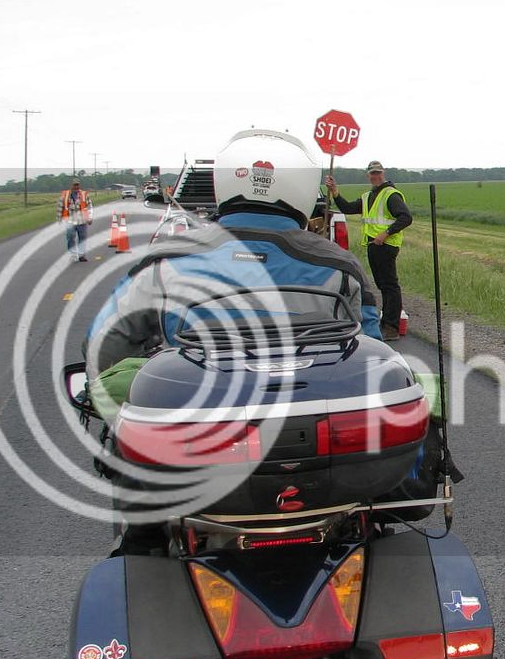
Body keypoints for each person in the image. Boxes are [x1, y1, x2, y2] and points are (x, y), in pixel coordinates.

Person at [84, 127, 382, 553]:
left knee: (134, 452)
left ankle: (142, 542)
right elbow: (369, 352)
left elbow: (104, 348)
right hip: (318, 450)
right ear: (303, 190)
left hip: (199, 447)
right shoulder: (340, 266)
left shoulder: (168, 259)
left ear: (225, 184)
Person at [328, 159, 412, 341]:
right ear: (368, 175)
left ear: (383, 173)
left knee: (390, 285)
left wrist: (386, 234)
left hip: (386, 245)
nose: (375, 176)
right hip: (374, 246)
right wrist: (335, 192)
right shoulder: (368, 196)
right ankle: (386, 323)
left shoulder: (391, 195)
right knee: (383, 285)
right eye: (372, 173)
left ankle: (391, 327)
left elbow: (406, 217)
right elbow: (348, 208)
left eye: (378, 173)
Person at [59, 179, 93, 261]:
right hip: (70, 221)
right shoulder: (65, 195)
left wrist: (90, 217)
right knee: (70, 237)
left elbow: (89, 207)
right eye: (74, 185)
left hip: (82, 220)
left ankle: (82, 255)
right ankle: (73, 254)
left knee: (83, 238)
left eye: (77, 185)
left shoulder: (84, 194)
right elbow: (60, 207)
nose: (76, 186)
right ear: (71, 185)